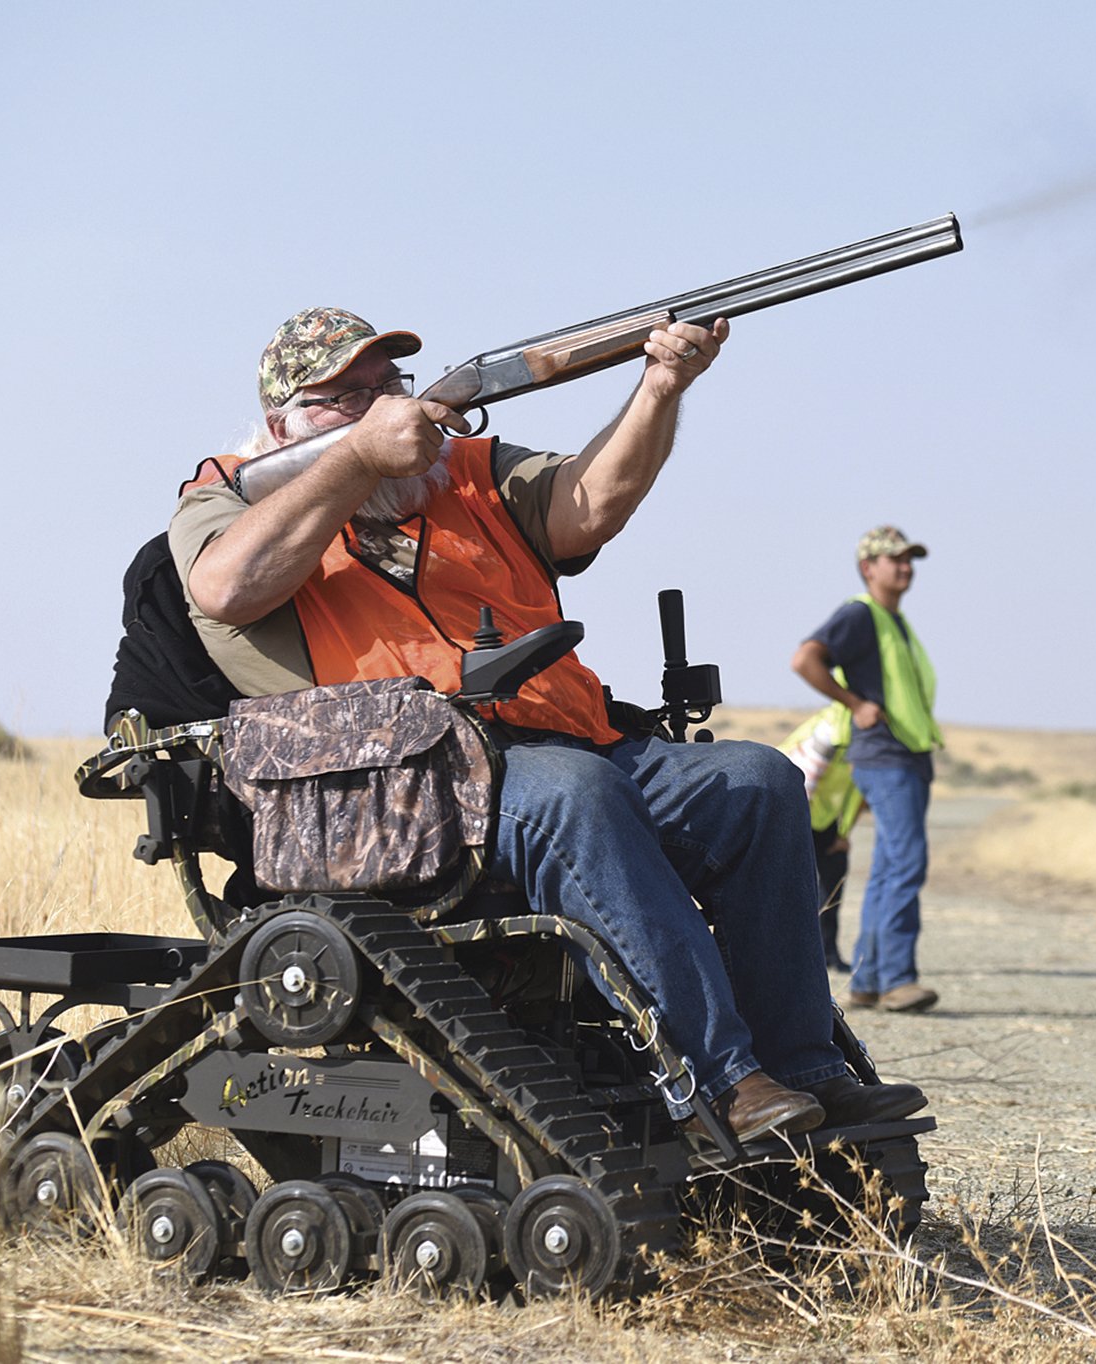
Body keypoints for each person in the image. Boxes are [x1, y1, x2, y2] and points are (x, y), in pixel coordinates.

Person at [170, 306, 924, 1142]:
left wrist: (661, 385)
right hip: (396, 793)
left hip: (561, 745)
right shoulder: (227, 495)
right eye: (349, 397)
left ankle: (807, 1070)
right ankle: (719, 1085)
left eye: (390, 385)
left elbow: (589, 506)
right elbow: (227, 587)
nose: (385, 405)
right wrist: (357, 458)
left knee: (757, 781)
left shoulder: (468, 469)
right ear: (285, 424)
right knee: (574, 793)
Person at [791, 527, 942, 1013]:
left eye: (909, 559)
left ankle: (868, 980)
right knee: (906, 863)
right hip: (887, 756)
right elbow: (805, 660)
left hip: (905, 756)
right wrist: (855, 703)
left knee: (890, 867)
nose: (905, 567)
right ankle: (898, 979)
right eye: (894, 559)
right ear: (868, 568)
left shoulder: (893, 621)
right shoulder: (860, 614)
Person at [777, 703, 862, 971]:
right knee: (793, 886)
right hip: (790, 810)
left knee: (834, 878)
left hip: (824, 819)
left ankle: (828, 953)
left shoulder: (866, 741)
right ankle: (789, 957)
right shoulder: (831, 729)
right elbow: (804, 782)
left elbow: (857, 792)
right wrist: (793, 828)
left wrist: (844, 833)